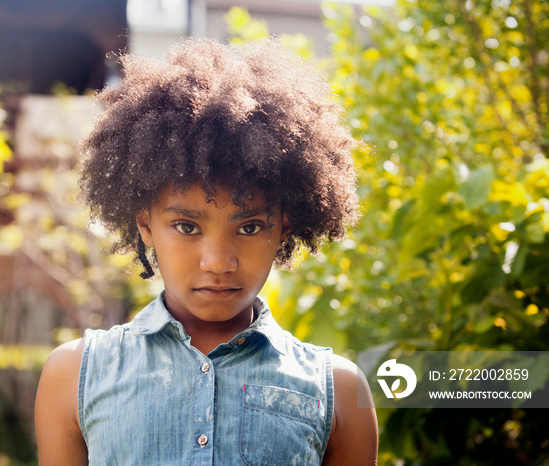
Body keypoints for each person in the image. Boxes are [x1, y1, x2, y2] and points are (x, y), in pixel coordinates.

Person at [35, 38, 378, 465]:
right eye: (187, 226)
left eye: (249, 226)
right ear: (145, 225)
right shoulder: (75, 376)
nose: (218, 261)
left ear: (284, 227)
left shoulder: (338, 390)